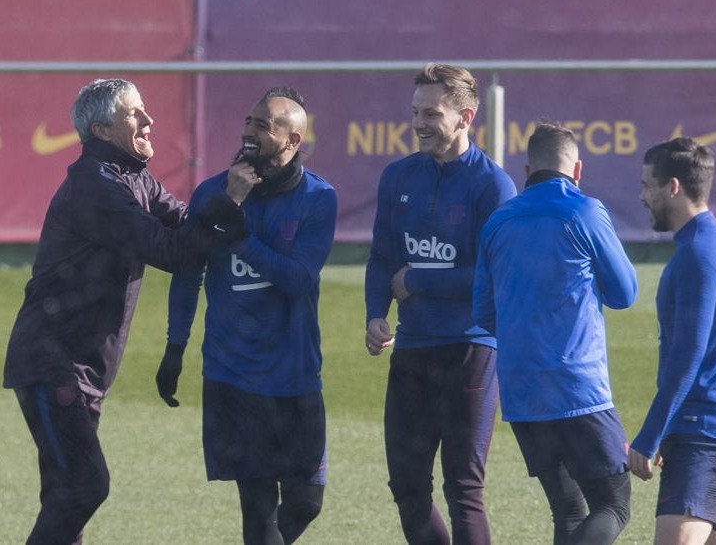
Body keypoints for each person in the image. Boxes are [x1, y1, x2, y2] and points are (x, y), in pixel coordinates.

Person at [3, 78, 252, 545]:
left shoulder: (133, 175)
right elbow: (174, 252)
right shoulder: (96, 186)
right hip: (52, 363)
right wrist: (231, 200)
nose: (149, 120)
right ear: (100, 130)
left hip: (79, 368)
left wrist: (235, 198)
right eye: (134, 114)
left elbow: (185, 224)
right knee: (85, 486)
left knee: (64, 494)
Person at [155, 86, 337, 545]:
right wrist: (175, 346)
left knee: (305, 504)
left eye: (265, 124)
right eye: (248, 122)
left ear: (294, 140)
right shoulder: (212, 194)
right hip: (232, 373)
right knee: (258, 512)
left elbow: (297, 279)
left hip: (296, 373)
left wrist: (238, 237)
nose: (250, 132)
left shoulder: (319, 198)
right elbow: (187, 274)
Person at [365, 63, 516, 544]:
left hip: (470, 351)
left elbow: (492, 279)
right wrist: (375, 313)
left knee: (463, 488)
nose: (420, 123)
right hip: (412, 350)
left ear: (466, 116)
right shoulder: (398, 177)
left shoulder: (493, 186)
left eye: (432, 113)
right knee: (407, 486)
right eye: (415, 112)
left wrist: (420, 278)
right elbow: (381, 257)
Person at [473, 120, 637, 544]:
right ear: (577, 169)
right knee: (614, 505)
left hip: (523, 394)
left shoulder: (497, 221)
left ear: (527, 170)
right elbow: (625, 293)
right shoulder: (584, 210)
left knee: (567, 509)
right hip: (578, 388)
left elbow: (483, 311)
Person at [628, 137, 716, 544]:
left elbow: (688, 357)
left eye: (648, 185)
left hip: (703, 430)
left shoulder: (696, 256)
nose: (642, 196)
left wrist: (650, 437)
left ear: (673, 187)